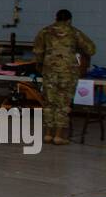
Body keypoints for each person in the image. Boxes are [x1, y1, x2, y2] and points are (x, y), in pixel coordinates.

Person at [34, 9, 95, 146]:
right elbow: (91, 49)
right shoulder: (74, 32)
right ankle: (58, 136)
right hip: (68, 73)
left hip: (49, 72)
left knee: (49, 103)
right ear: (69, 20)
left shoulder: (45, 32)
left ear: (56, 18)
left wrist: (41, 64)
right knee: (63, 103)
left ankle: (48, 135)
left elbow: (38, 51)